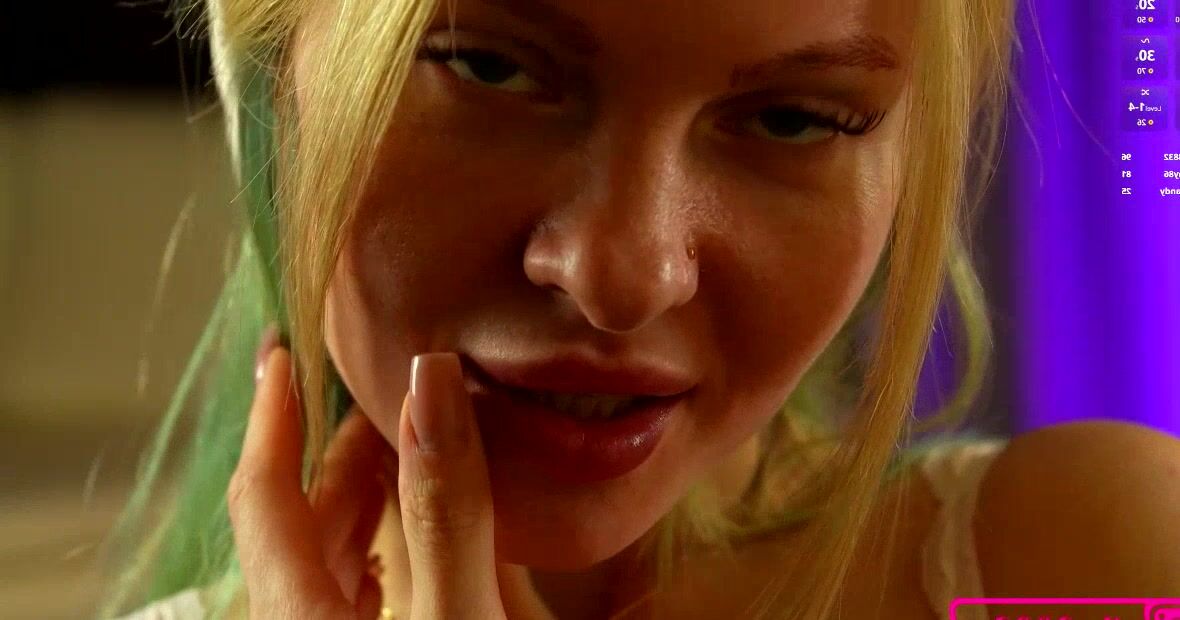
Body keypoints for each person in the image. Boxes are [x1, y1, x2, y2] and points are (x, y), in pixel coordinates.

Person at [95, 0, 1180, 618]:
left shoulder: (1094, 565)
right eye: (488, 68)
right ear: (269, 67)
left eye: (795, 119)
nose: (624, 277)